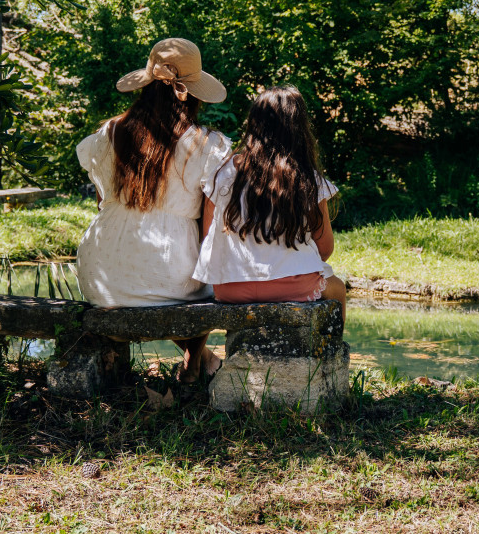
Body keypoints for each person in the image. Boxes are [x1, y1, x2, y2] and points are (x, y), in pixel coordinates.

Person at [75, 38, 230, 383]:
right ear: (191, 93)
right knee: (198, 280)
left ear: (145, 87)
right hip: (167, 272)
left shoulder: (109, 133)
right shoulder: (208, 145)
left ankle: (203, 361)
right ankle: (193, 366)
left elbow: (102, 203)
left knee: (159, 277)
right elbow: (209, 230)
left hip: (101, 275)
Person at [192, 86, 347, 319]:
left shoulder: (223, 173)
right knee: (339, 289)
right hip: (294, 284)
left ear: (253, 124)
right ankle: (332, 344)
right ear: (299, 129)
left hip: (230, 287)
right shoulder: (307, 179)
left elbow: (207, 238)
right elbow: (325, 249)